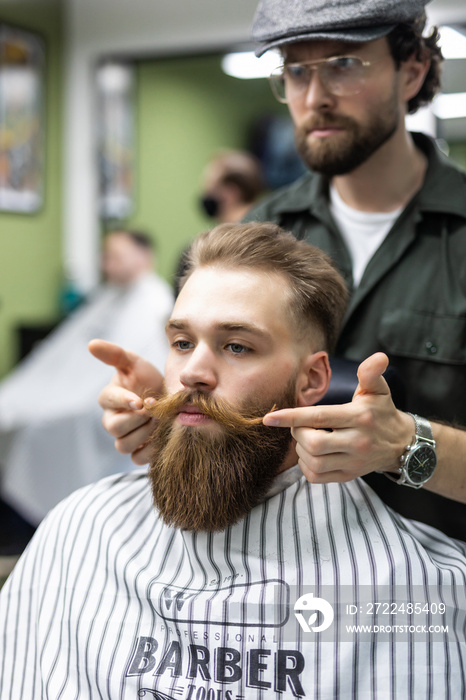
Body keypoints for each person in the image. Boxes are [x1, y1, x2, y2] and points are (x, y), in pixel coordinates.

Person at [1, 222, 465, 699]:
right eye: (182, 343)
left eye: (236, 346)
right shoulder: (81, 530)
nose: (192, 373)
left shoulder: (409, 584)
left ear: (312, 380)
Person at [95, 0, 466, 540]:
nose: (314, 98)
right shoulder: (261, 231)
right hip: (273, 574)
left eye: (344, 64)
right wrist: (178, 413)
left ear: (411, 71)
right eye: (296, 70)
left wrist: (407, 444)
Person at [0, 230, 173, 533]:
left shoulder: (152, 301)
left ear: (145, 257)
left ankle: (29, 524)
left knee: (36, 428)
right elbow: (63, 356)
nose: (108, 265)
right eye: (106, 257)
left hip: (97, 400)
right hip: (69, 388)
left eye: (116, 257)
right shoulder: (111, 295)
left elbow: (118, 368)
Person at [199, 149, 265, 223]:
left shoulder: (239, 231)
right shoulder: (269, 222)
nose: (206, 195)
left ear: (231, 192)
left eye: (210, 189)